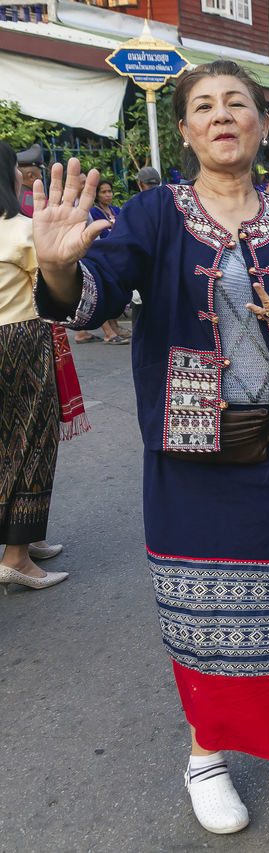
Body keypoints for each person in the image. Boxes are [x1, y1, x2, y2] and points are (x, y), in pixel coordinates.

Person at [32, 60, 269, 835]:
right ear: (183, 130)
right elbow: (97, 288)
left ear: (263, 124)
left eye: (236, 104)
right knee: (203, 618)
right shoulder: (155, 213)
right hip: (190, 455)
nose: (221, 116)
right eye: (203, 107)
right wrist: (57, 264)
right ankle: (205, 752)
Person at [0, 140, 69, 595]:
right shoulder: (23, 228)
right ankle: (16, 555)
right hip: (19, 337)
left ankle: (26, 537)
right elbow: (50, 293)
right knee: (32, 438)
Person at [80, 179, 129, 345]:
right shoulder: (94, 211)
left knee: (115, 291)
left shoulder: (116, 210)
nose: (108, 195)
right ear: (97, 195)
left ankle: (114, 326)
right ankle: (109, 332)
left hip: (118, 255)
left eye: (109, 191)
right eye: (104, 192)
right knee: (102, 291)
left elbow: (124, 229)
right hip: (101, 255)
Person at [16, 143, 42, 217]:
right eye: (40, 174)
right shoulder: (33, 202)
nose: (41, 177)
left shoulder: (9, 197)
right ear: (30, 176)